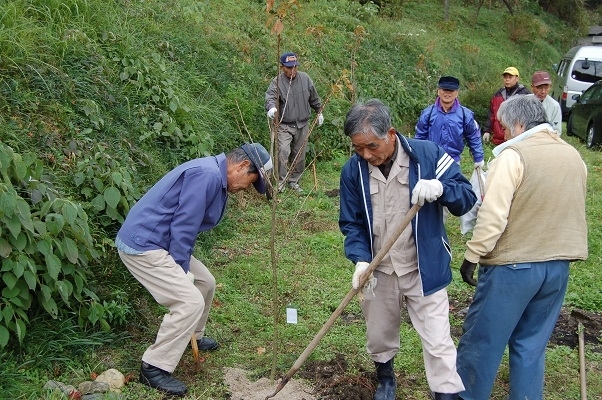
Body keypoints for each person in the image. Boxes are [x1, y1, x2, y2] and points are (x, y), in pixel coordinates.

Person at [339, 99, 477, 400]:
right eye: (358, 148)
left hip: (422, 268)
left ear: (390, 134)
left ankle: (445, 394)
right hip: (380, 269)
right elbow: (351, 222)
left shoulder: (427, 156)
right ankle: (385, 379)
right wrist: (361, 260)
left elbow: (466, 197)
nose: (365, 154)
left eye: (372, 146)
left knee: (439, 341)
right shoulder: (353, 171)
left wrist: (442, 189)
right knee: (379, 334)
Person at [115, 143, 273, 397]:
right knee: (189, 302)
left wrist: (182, 265)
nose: (246, 188)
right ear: (243, 165)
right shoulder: (207, 175)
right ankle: (154, 366)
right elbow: (184, 226)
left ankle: (194, 335)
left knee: (206, 283)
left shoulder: (215, 175)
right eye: (250, 180)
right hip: (144, 245)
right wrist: (179, 267)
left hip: (162, 241)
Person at [456, 95, 587, 400]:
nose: (504, 133)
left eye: (504, 126)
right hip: (558, 266)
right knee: (531, 345)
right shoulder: (573, 156)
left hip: (514, 268)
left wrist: (473, 254)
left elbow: (493, 214)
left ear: (518, 123)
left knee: (483, 340)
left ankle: (467, 396)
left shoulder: (514, 156)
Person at [265, 52, 323, 193]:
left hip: (302, 124)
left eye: (295, 67)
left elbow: (314, 98)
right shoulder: (277, 82)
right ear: (282, 67)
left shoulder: (305, 79)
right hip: (284, 125)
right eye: (289, 68)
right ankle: (281, 182)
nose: (292, 71)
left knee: (300, 154)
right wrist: (272, 108)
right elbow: (271, 96)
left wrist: (320, 112)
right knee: (283, 152)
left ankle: (294, 181)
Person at [415, 76, 484, 168]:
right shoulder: (428, 113)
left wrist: (478, 158)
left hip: (453, 162)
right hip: (431, 161)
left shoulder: (465, 115)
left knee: (451, 183)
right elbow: (419, 138)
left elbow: (473, 137)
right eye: (444, 90)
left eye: (451, 90)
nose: (447, 93)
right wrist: (417, 157)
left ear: (457, 93)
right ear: (438, 91)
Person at [482, 67, 531, 145]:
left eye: (510, 77)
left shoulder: (525, 95)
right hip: (497, 141)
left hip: (517, 140)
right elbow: (491, 115)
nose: (507, 79)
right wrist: (487, 131)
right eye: (505, 77)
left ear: (517, 78)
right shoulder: (497, 95)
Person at [527, 70, 562, 135]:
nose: (543, 92)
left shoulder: (554, 106)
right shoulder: (524, 102)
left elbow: (556, 131)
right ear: (532, 87)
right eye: (539, 88)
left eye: (546, 88)